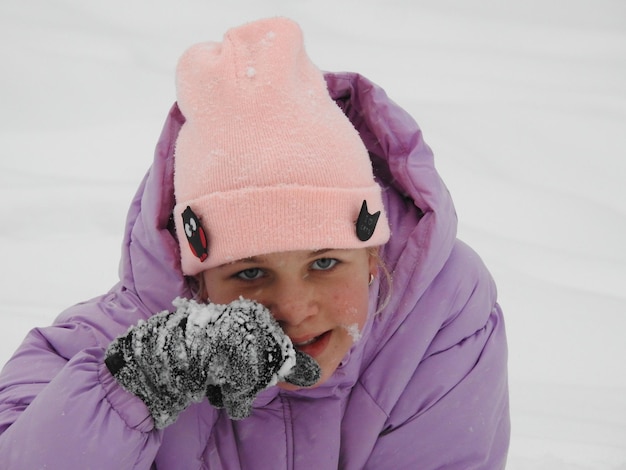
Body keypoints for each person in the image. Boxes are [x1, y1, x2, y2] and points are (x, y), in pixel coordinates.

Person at [0, 17, 510, 469]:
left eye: (325, 262)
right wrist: (131, 388)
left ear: (372, 251)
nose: (291, 308)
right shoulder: (102, 345)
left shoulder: (436, 319)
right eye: (249, 272)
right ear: (195, 277)